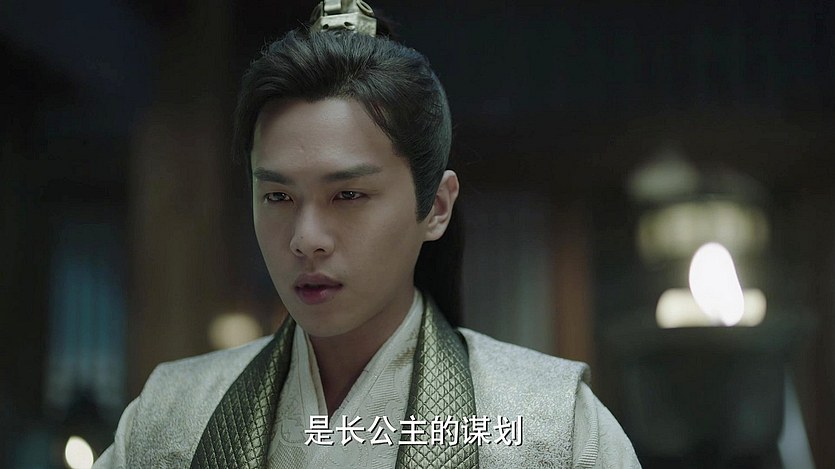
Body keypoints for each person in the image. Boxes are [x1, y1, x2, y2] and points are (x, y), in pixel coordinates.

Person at [94, 2, 640, 467]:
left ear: (436, 206)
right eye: (278, 196)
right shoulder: (167, 420)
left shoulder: (552, 427)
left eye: (348, 195)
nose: (306, 238)